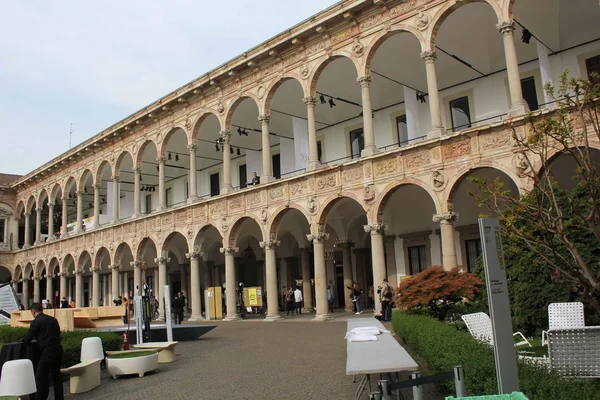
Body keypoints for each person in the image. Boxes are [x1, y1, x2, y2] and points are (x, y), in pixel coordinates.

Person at [22, 302, 64, 400]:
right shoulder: (53, 319)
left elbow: (28, 337)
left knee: (41, 376)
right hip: (58, 348)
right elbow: (58, 333)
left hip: (48, 351)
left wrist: (23, 341)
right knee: (56, 376)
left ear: (33, 312)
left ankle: (41, 397)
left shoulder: (36, 322)